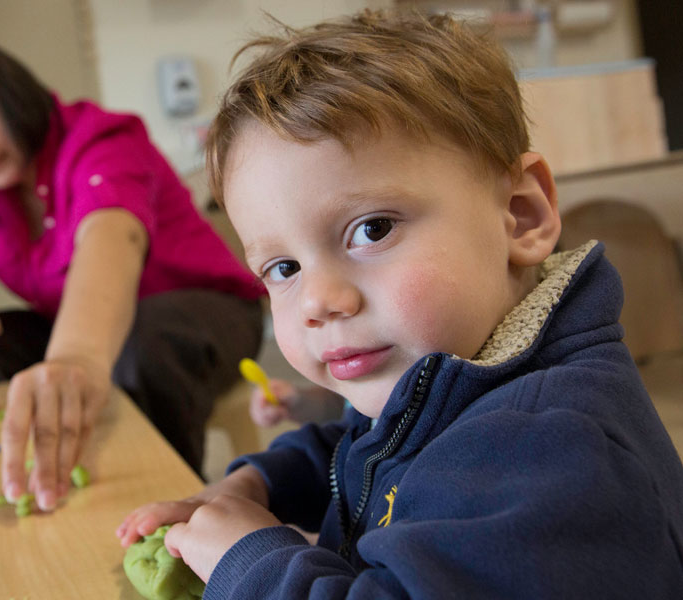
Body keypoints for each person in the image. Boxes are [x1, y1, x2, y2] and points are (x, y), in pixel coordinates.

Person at [117, 11, 683, 597]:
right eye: (283, 269)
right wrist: (259, 483)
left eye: (372, 229)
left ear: (520, 215)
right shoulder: (451, 370)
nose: (318, 301)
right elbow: (365, 447)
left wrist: (255, 565)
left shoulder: (553, 453)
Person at [0, 35, 264, 511]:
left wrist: (74, 357)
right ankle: (4, 480)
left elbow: (112, 238)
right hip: (96, 328)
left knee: (148, 342)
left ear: (11, 96)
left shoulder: (100, 139)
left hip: (204, 312)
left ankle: (163, 508)